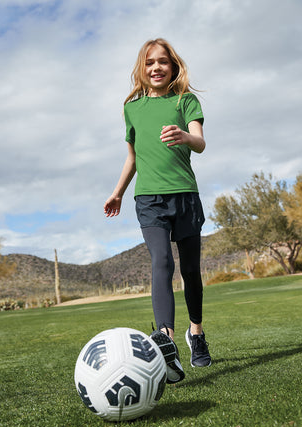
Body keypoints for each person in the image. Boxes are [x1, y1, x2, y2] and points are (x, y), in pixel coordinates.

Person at [104, 38, 211, 383]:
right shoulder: (132, 109)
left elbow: (201, 142)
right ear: (141, 68)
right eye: (150, 62)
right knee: (161, 262)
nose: (156, 68)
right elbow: (133, 157)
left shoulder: (185, 101)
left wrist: (184, 135)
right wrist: (118, 192)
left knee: (191, 271)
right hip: (148, 199)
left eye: (163, 61)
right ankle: (165, 344)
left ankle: (195, 333)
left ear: (173, 66)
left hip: (185, 196)